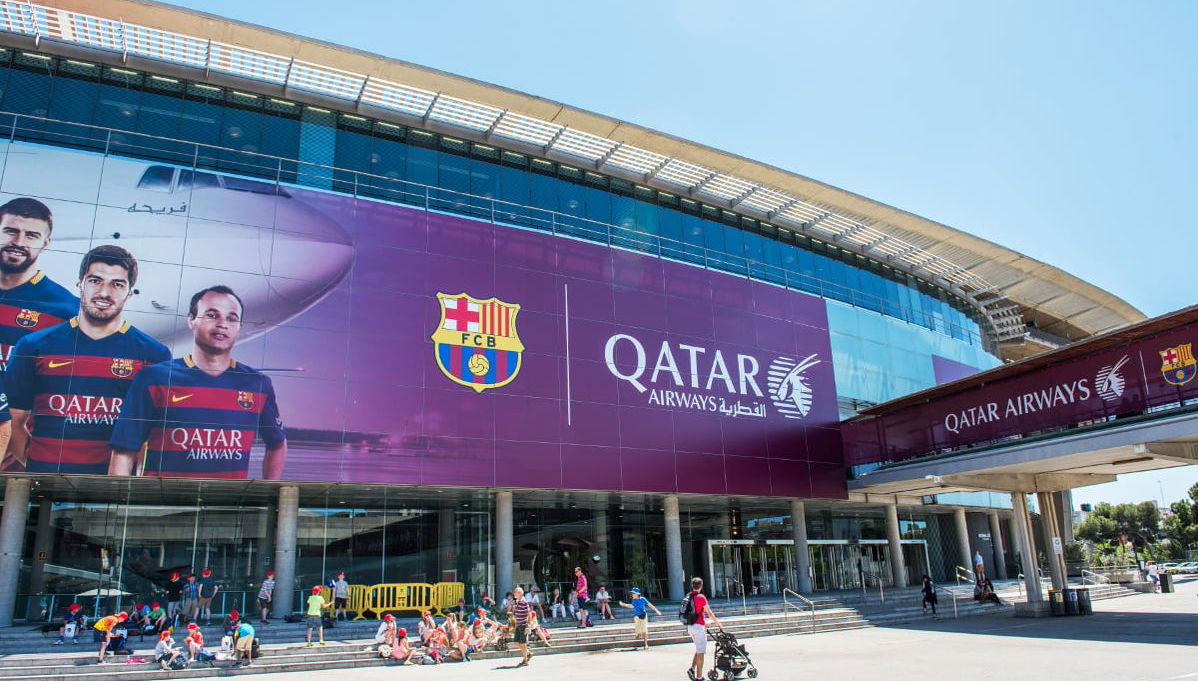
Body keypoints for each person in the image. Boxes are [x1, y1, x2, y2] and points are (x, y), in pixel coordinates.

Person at [3, 245, 169, 475]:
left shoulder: (154, 354)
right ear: (80, 284)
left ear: (130, 292)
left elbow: (150, 434)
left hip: (109, 492)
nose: (104, 292)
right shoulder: (33, 345)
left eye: (117, 284)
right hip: (41, 487)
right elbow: (14, 420)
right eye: (95, 280)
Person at [109, 285, 287, 479]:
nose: (222, 324)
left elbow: (277, 444)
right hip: (162, 507)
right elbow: (123, 452)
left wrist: (269, 494)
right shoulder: (153, 378)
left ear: (239, 327)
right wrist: (121, 505)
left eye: (232, 318)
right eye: (212, 315)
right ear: (191, 320)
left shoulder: (258, 384)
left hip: (226, 508)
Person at [0, 198, 78, 378]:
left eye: (31, 235)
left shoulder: (69, 312)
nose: (19, 242)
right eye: (10, 231)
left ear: (45, 243)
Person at [684, 577, 723, 681]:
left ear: (692, 585)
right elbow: (709, 612)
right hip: (698, 627)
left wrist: (704, 622)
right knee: (701, 652)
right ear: (701, 586)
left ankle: (692, 668)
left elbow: (694, 612)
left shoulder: (688, 596)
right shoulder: (701, 597)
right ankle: (699, 676)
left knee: (698, 648)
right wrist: (718, 623)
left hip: (690, 626)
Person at [510, 586, 533, 667]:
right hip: (519, 624)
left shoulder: (524, 602)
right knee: (516, 642)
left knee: (522, 643)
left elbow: (529, 614)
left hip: (523, 625)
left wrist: (528, 625)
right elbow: (515, 613)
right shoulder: (517, 602)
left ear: (520, 593)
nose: (514, 593)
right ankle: (528, 653)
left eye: (515, 592)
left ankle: (525, 660)